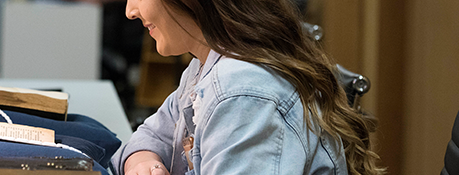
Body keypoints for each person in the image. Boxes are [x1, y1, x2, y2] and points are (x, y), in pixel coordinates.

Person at [112, 0, 384, 175]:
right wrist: (143, 162)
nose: (130, 10)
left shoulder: (241, 93)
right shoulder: (203, 67)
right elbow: (151, 134)